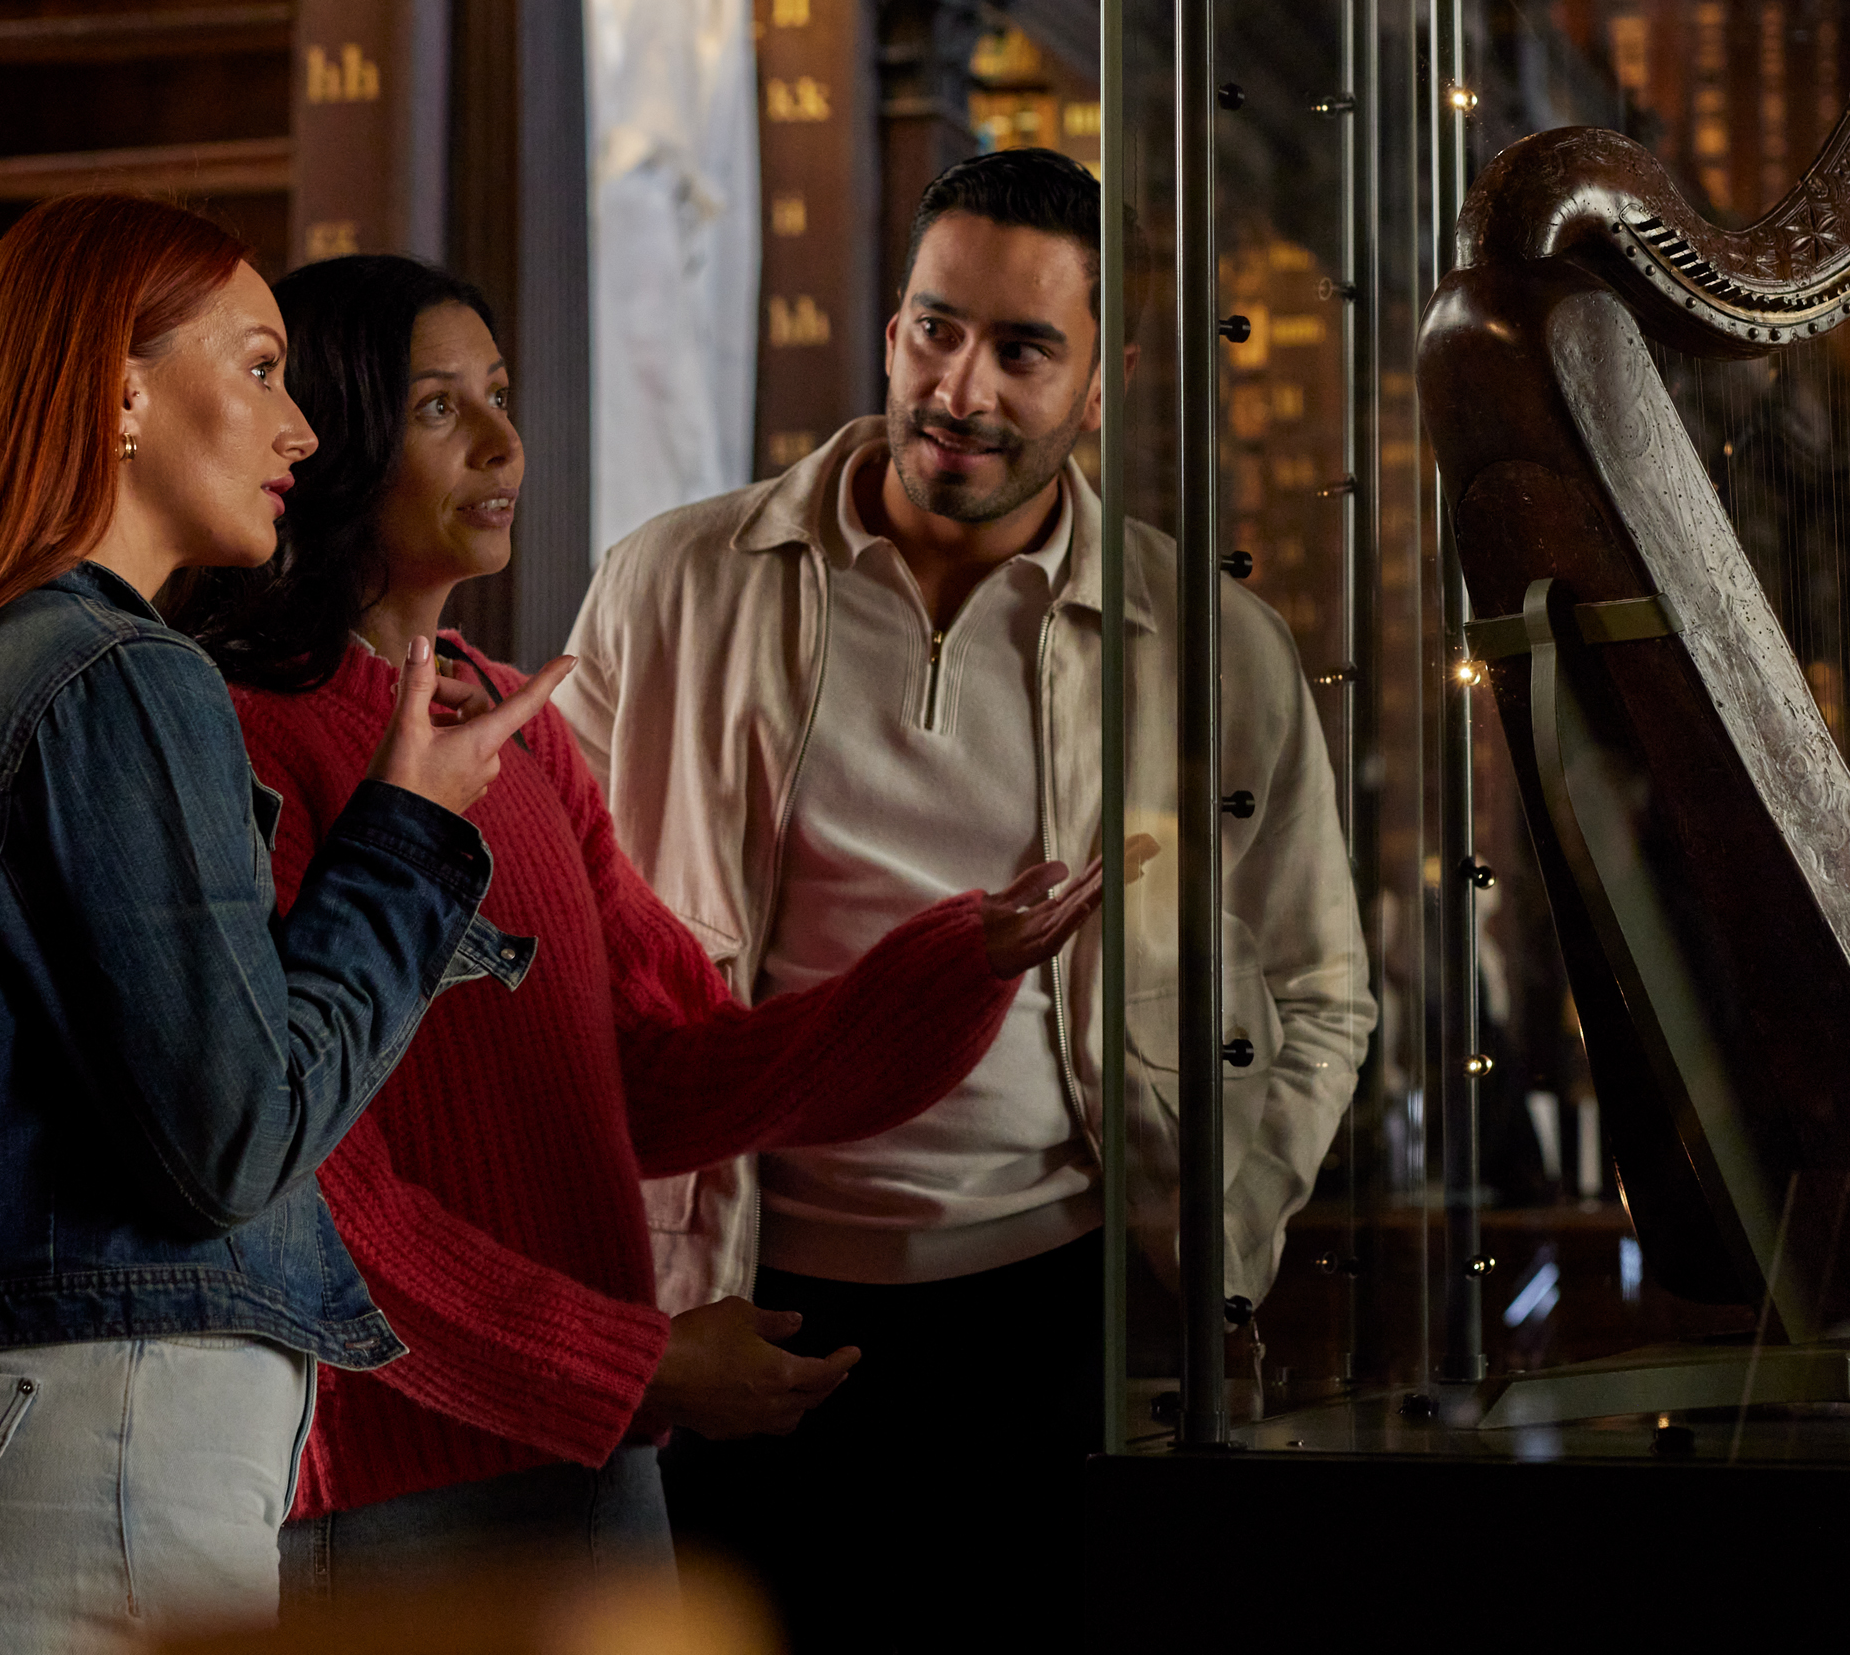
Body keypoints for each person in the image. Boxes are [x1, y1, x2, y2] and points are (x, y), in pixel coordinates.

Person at [0, 195, 558, 1655]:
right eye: (263, 366)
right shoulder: (117, 674)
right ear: (121, 392)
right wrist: (408, 832)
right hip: (80, 1473)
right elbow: (231, 1135)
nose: (303, 433)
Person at [175, 253, 1101, 1597]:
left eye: (498, 395)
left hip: (590, 1454)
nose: (504, 443)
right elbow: (308, 1196)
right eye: (440, 408)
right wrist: (642, 1361)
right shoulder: (238, 733)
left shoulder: (515, 722)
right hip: (379, 1484)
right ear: (331, 436)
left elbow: (661, 1075)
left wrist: (959, 960)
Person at [560, 148, 1373, 1651]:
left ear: (1101, 378)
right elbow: (564, 956)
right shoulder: (671, 583)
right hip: (746, 1295)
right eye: (935, 328)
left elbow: (1322, 986)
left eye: (1021, 348)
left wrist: (1232, 1212)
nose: (963, 387)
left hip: (1058, 1309)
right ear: (890, 328)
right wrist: (639, 1311)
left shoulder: (1209, 642)